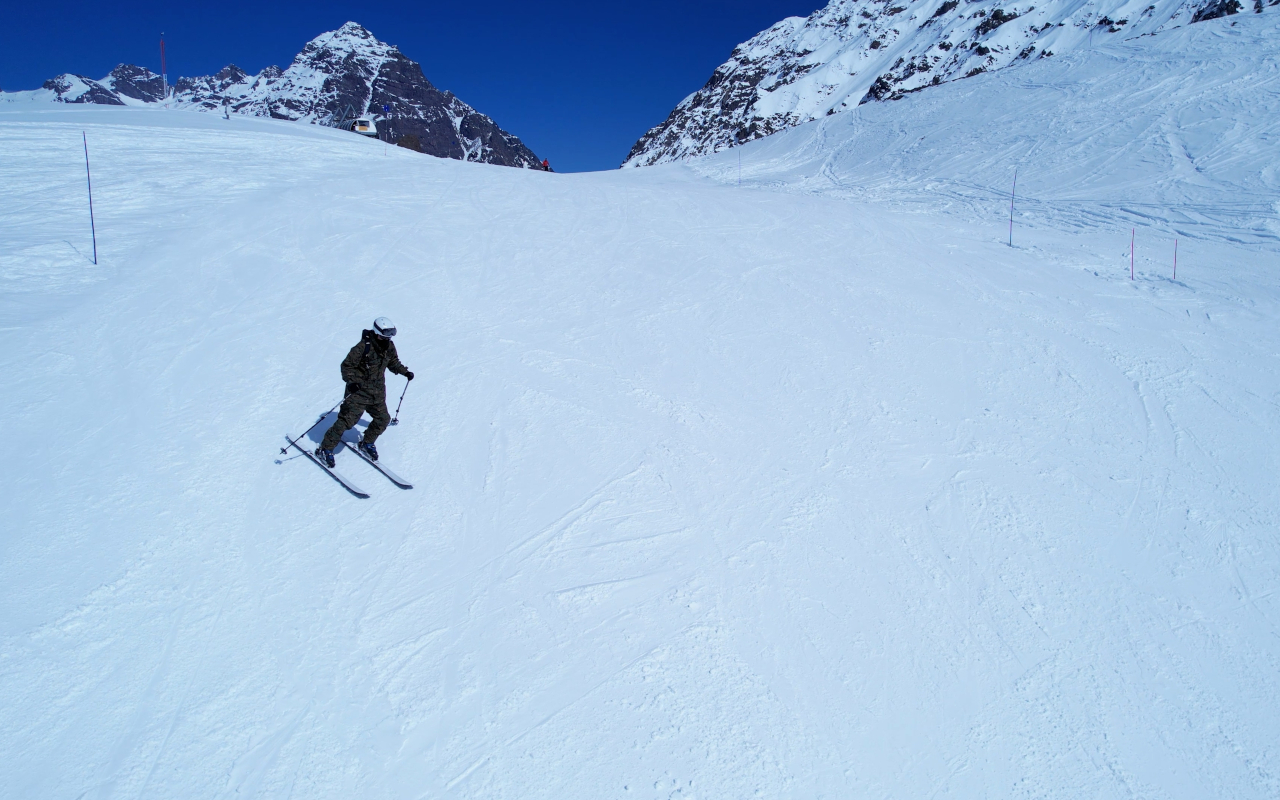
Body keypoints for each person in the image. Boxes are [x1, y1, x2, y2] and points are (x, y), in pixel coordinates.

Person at [316, 317, 413, 467]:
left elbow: (393, 362)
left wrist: (405, 372)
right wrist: (352, 382)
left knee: (383, 419)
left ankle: (367, 442)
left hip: (377, 393)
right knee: (346, 422)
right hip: (358, 393)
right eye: (385, 336)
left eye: (390, 336)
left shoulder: (389, 346)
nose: (387, 339)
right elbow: (346, 367)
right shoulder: (362, 348)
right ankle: (325, 448)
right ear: (376, 332)